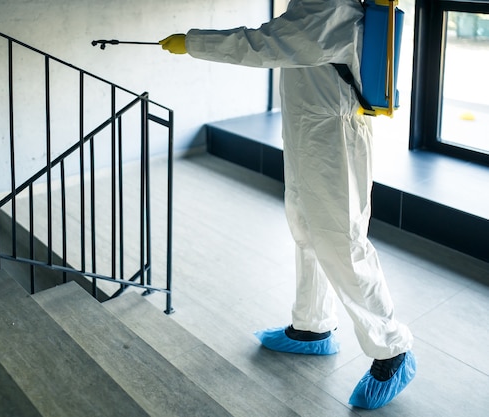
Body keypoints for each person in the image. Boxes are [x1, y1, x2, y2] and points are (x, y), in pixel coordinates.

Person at [159, 0, 415, 410]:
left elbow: (264, 45)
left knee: (341, 242)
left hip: (333, 132)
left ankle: (391, 350)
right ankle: (312, 327)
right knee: (306, 228)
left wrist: (194, 42)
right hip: (307, 125)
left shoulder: (330, 6)